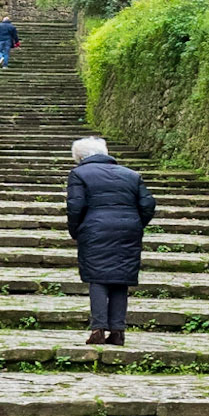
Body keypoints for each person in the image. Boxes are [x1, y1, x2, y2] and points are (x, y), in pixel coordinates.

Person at [66, 135, 156, 347]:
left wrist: (76, 230)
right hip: (128, 230)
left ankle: (98, 328)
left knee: (97, 277)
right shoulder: (131, 174)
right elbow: (148, 204)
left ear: (80, 157)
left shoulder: (79, 174)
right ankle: (117, 331)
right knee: (120, 277)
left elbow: (75, 206)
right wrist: (136, 223)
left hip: (95, 229)